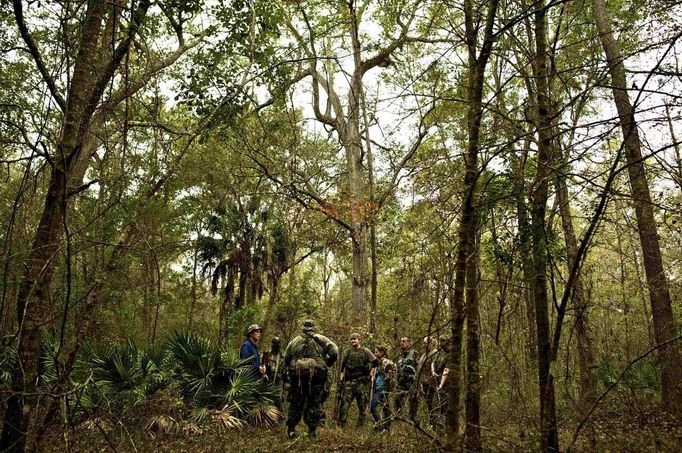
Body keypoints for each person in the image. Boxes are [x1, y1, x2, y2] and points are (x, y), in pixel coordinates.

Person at [283, 320, 338, 438]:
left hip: (297, 377)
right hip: (317, 376)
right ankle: (312, 431)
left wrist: (293, 368)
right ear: (314, 328)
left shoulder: (294, 341)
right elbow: (334, 351)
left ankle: (291, 430)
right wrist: (327, 362)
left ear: (303, 328)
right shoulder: (322, 339)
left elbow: (286, 358)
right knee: (314, 402)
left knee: (295, 402)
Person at [338, 333, 378, 427]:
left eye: (354, 339)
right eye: (351, 339)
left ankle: (359, 428)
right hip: (349, 382)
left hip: (362, 382)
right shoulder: (347, 352)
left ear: (359, 340)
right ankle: (340, 426)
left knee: (362, 406)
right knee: (344, 405)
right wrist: (341, 378)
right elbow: (342, 367)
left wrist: (371, 373)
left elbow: (375, 362)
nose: (353, 341)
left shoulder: (365, 351)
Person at [370, 345, 395, 433]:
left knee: (372, 407)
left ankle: (380, 427)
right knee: (386, 408)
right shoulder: (378, 362)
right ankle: (386, 428)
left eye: (376, 352)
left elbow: (390, 371)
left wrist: (387, 378)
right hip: (379, 388)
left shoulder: (385, 361)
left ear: (382, 353)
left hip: (382, 389)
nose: (375, 353)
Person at [415, 336, 438, 427]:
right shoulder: (424, 354)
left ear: (431, 343)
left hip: (431, 384)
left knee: (432, 404)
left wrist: (430, 381)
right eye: (423, 343)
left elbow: (434, 367)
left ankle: (434, 424)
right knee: (427, 404)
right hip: (423, 383)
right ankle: (429, 423)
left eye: (425, 343)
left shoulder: (435, 353)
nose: (423, 345)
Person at [394, 336, 418, 420]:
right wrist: (397, 381)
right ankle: (398, 418)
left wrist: (417, 380)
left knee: (413, 401)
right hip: (401, 382)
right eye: (401, 341)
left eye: (404, 341)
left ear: (409, 343)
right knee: (397, 400)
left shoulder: (413, 353)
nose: (402, 343)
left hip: (411, 381)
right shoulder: (400, 356)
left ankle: (413, 419)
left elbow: (419, 366)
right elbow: (398, 369)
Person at [431, 335, 451, 429]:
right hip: (437, 381)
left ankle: (446, 425)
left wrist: (441, 385)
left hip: (446, 384)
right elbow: (433, 362)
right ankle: (437, 424)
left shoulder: (450, 355)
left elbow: (446, 371)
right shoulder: (440, 353)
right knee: (437, 404)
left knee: (445, 404)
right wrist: (433, 371)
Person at [265, 337, 286, 411]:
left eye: (278, 343)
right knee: (268, 398)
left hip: (279, 379)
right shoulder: (266, 355)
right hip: (268, 379)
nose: (276, 345)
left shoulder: (283, 355)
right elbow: (262, 365)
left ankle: (280, 414)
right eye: (274, 343)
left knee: (278, 397)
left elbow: (286, 368)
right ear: (272, 344)